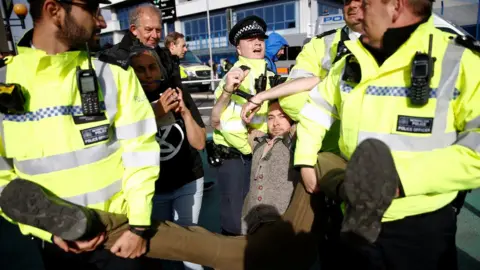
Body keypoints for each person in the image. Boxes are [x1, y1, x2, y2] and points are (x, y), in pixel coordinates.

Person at [293, 0, 480, 268]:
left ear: (395, 6)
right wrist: (305, 160)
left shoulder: (461, 61)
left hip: (419, 230)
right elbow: (316, 110)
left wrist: (399, 179)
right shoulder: (350, 62)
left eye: (364, 2)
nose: (352, 8)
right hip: (351, 218)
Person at [0, 0, 160, 270]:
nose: (102, 22)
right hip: (55, 244)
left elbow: (141, 153)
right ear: (55, 11)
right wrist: (48, 230)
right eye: (91, 10)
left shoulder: (113, 75)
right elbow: (4, 180)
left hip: (121, 237)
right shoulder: (5, 82)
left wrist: (139, 227)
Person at [242, 0, 363, 164]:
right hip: (324, 153)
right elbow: (292, 97)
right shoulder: (320, 43)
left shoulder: (400, 44)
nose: (353, 5)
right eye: (347, 0)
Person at [129, 46, 207, 270]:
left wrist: (184, 112)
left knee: (189, 240)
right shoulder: (130, 101)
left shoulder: (177, 93)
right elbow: (126, 139)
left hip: (189, 180)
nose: (148, 74)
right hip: (154, 188)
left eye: (153, 67)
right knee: (160, 246)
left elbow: (200, 143)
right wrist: (156, 112)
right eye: (141, 69)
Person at [210, 15, 276, 236]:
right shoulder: (236, 75)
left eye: (260, 38)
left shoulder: (269, 73)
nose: (257, 43)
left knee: (260, 211)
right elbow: (225, 123)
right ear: (238, 48)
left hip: (259, 150)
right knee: (235, 219)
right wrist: (255, 149)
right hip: (236, 154)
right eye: (249, 39)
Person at [240, 100, 299, 235]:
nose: (276, 123)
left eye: (282, 116)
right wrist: (255, 108)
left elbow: (305, 113)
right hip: (250, 221)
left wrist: (267, 95)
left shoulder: (293, 137)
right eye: (270, 118)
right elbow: (219, 123)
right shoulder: (258, 140)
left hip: (280, 223)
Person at [98, 5, 182, 89]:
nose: (155, 35)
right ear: (134, 29)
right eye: (148, 30)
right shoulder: (113, 58)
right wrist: (157, 102)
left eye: (158, 30)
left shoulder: (165, 56)